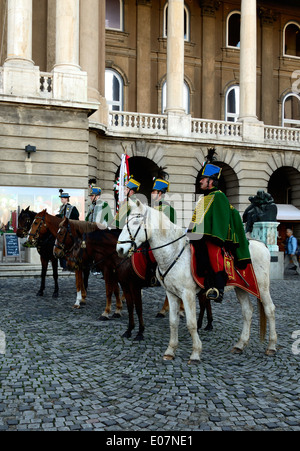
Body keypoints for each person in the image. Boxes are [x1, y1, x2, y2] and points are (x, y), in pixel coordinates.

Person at [188, 161, 251, 303]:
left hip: (214, 237)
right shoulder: (203, 198)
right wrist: (191, 231)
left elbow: (222, 219)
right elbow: (197, 219)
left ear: (210, 181)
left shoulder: (219, 196)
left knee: (213, 252)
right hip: (199, 237)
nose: (200, 181)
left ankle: (218, 288)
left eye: (203, 179)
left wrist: (212, 234)